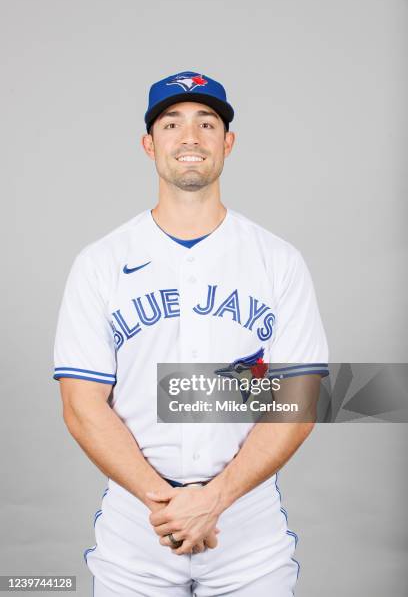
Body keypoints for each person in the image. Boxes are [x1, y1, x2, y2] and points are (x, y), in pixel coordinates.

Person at [53, 70, 329, 596]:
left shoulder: (277, 260)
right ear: (148, 143)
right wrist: (167, 504)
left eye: (207, 123)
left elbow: (300, 400)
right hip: (138, 525)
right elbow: (82, 404)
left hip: (248, 525)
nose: (190, 138)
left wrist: (214, 499)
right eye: (172, 123)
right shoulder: (101, 262)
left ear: (227, 143)